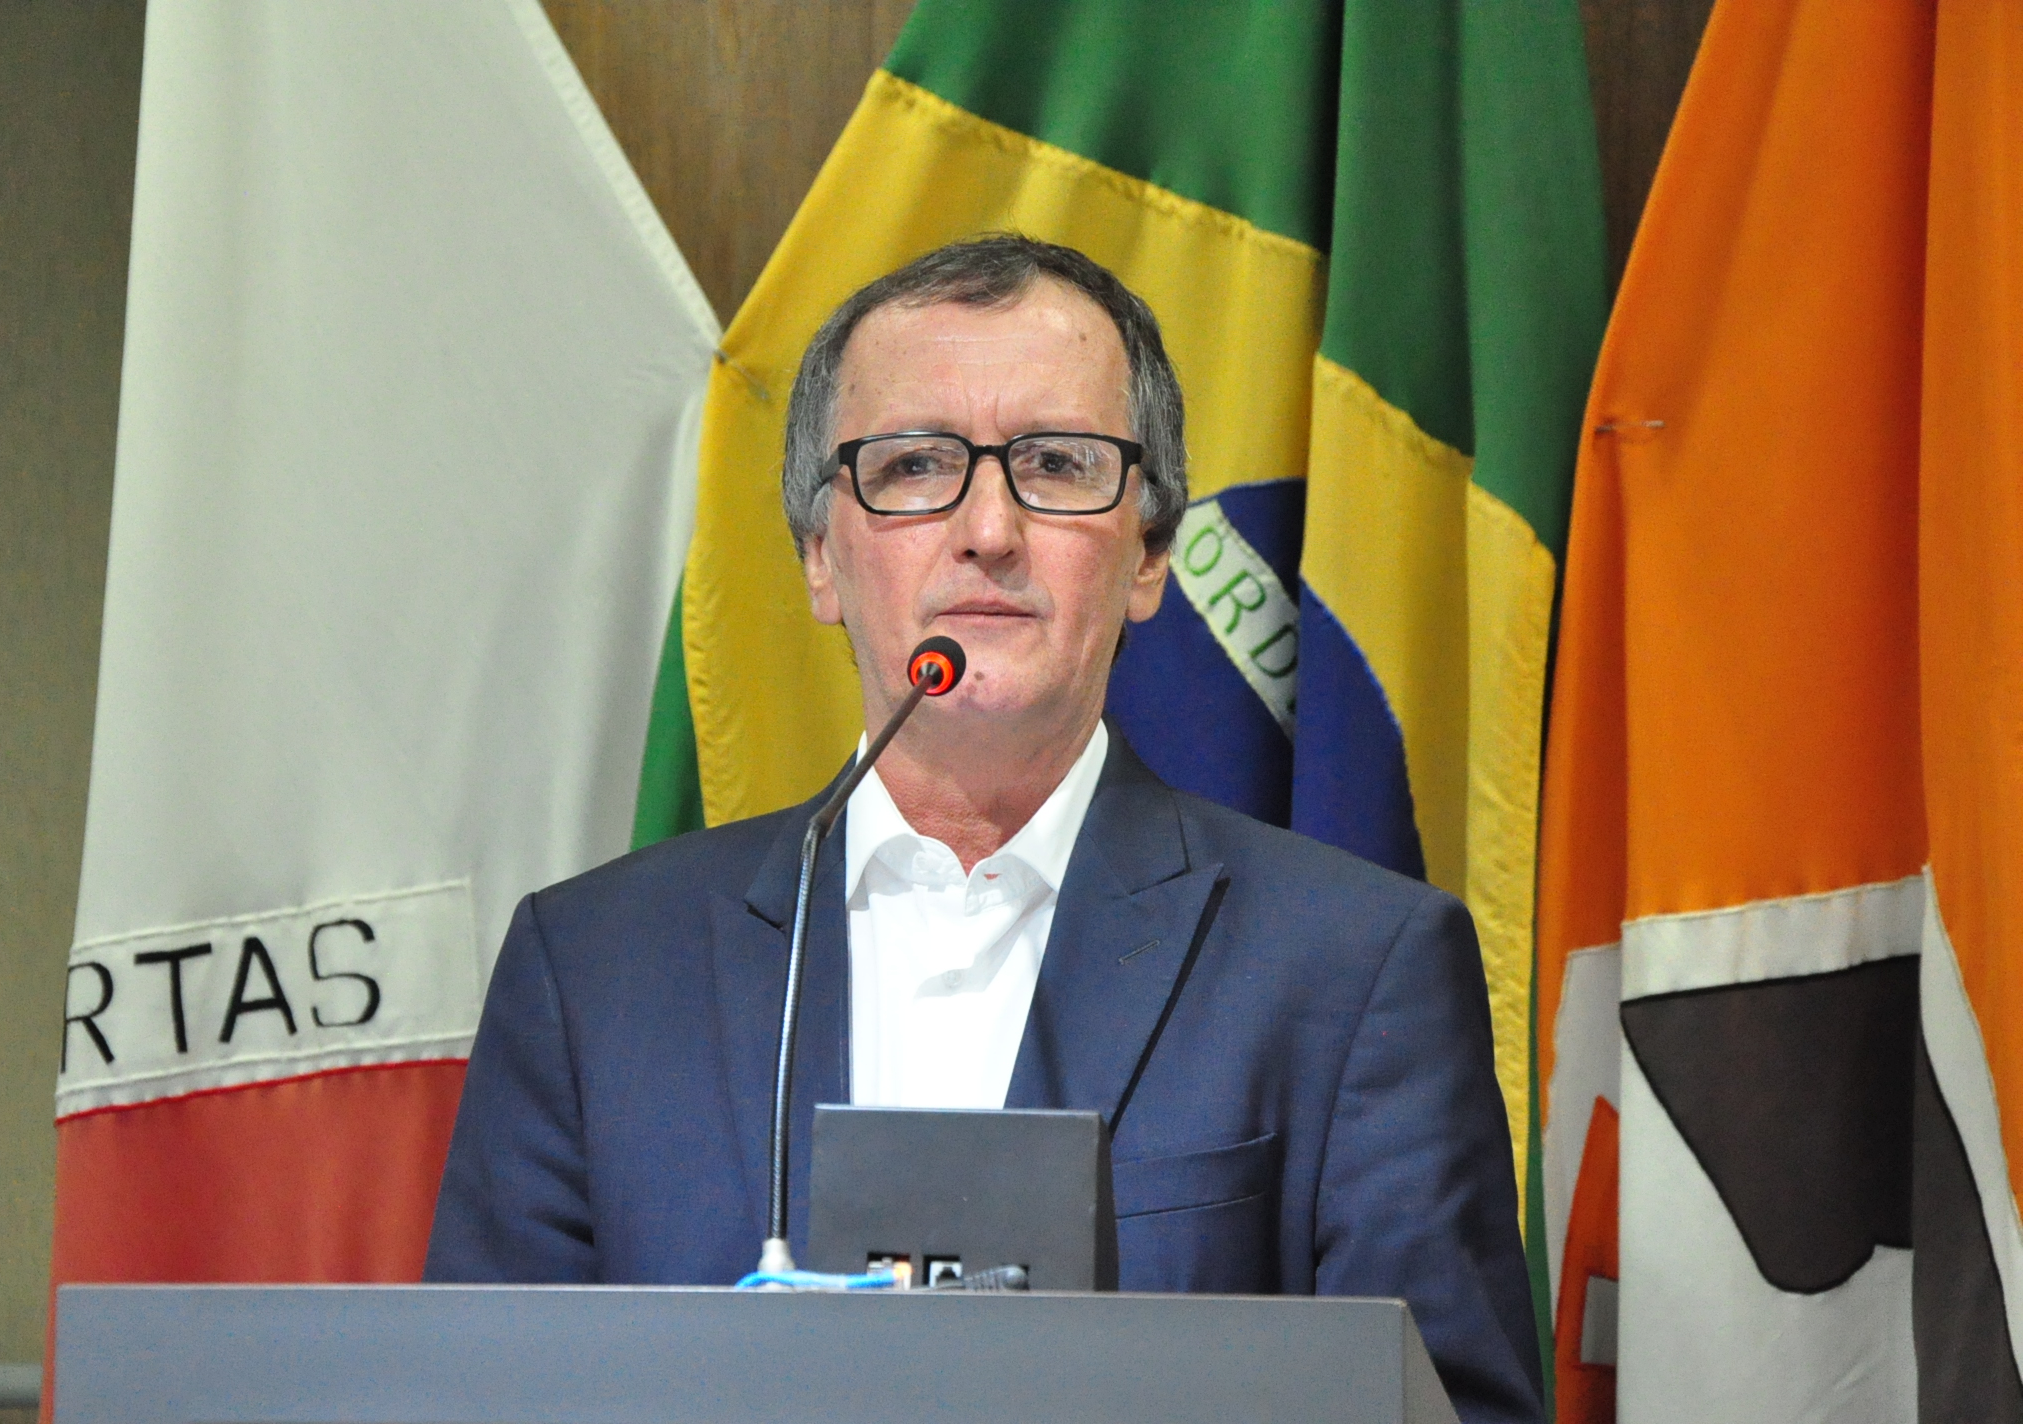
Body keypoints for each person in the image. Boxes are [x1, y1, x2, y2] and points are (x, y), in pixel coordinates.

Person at [425, 235, 1543, 1424]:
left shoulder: (1357, 970)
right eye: (914, 466)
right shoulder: (591, 972)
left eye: (1056, 463)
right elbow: (478, 1402)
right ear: (819, 556)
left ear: (1148, 552)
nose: (989, 528)